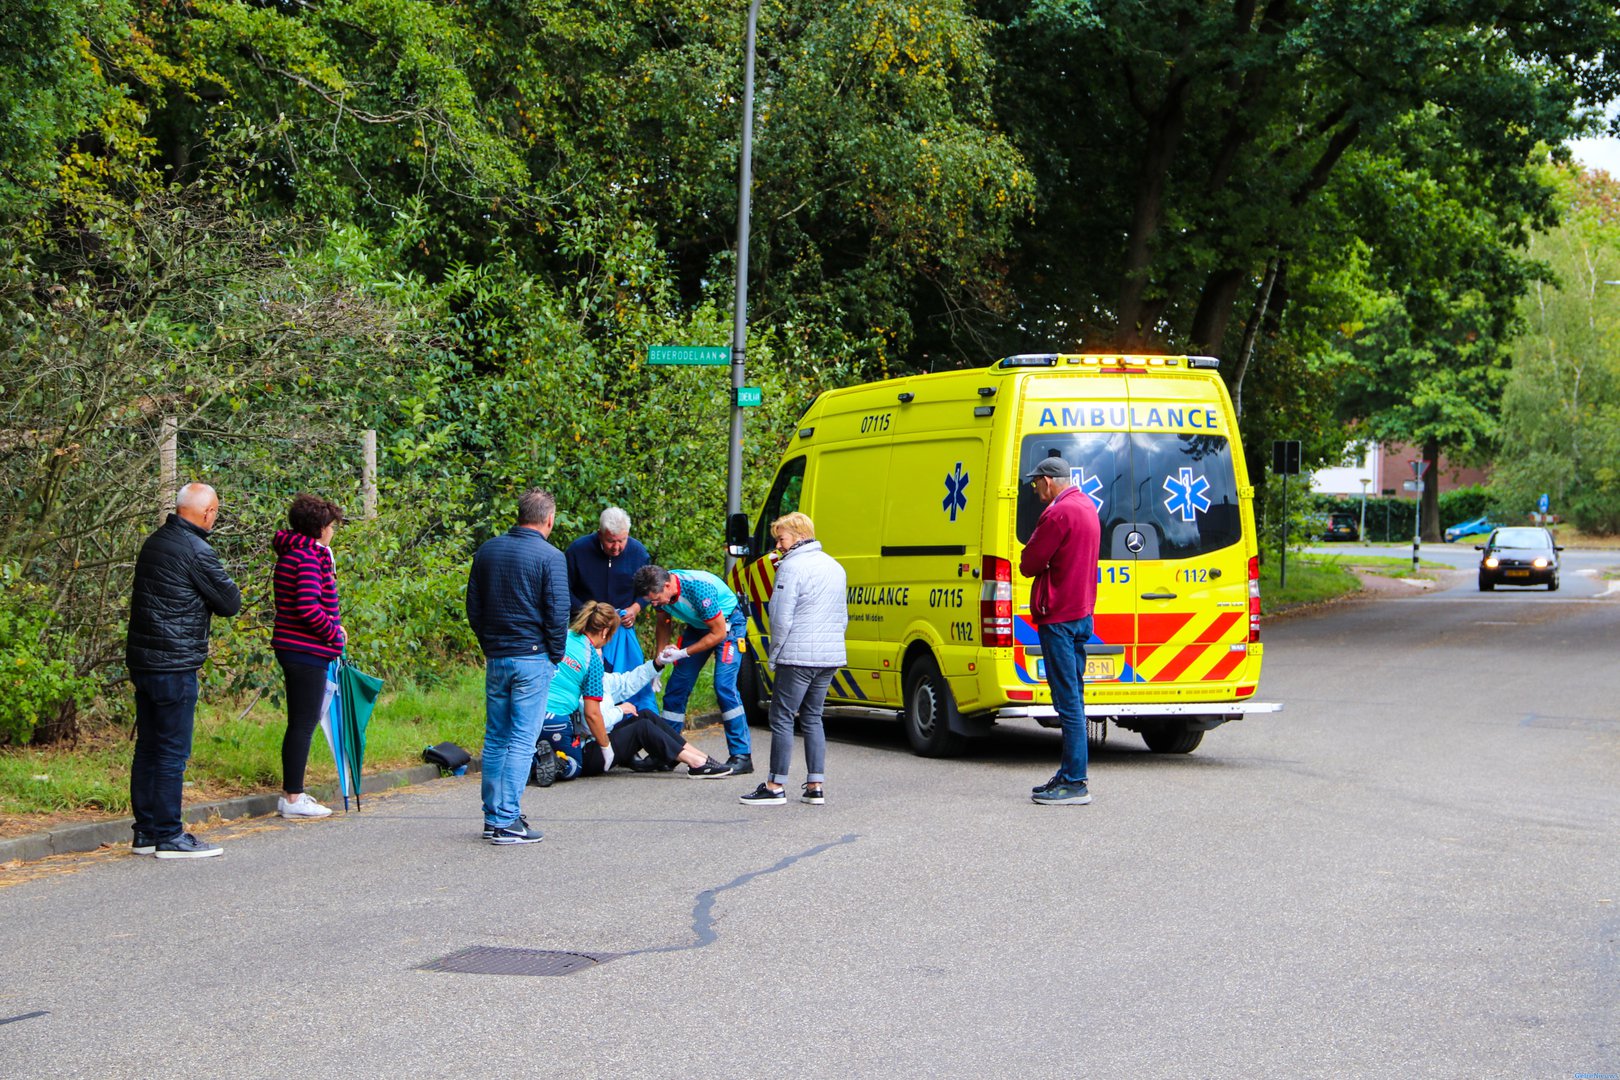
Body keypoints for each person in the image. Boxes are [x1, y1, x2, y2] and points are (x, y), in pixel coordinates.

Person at [126, 483, 242, 858]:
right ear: (208, 513)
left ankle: (145, 832)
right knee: (172, 751)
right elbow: (229, 602)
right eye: (216, 512)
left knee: (148, 746)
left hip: (144, 660)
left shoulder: (155, 542)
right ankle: (170, 835)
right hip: (175, 663)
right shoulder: (197, 551)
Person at [466, 488, 569, 845]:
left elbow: (474, 607)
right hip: (532, 656)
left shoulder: (488, 550)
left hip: (498, 656)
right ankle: (507, 820)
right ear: (549, 519)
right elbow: (558, 613)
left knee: (495, 737)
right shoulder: (551, 557)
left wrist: (490, 644)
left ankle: (493, 815)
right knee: (522, 739)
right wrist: (555, 655)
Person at [537, 602, 729, 782]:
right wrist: (619, 715)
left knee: (645, 715)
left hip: (556, 722)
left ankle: (701, 758)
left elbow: (625, 683)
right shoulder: (590, 661)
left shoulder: (567, 639)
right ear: (604, 632)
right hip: (587, 746)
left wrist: (658, 663)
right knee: (641, 728)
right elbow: (592, 719)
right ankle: (696, 763)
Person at [739, 512, 848, 807]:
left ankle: (775, 786)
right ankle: (815, 785)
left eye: (781, 538)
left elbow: (781, 617)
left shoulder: (791, 568)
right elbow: (843, 617)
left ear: (799, 535)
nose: (778, 545)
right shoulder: (835, 567)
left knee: (782, 715)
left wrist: (775, 654)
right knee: (812, 717)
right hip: (830, 655)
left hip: (798, 655)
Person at [1020, 455, 1102, 806]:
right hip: (1082, 612)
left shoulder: (1057, 513)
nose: (1035, 488)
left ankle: (1074, 781)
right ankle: (1069, 771)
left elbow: (1029, 563)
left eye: (1036, 482)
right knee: (1075, 698)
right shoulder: (1087, 506)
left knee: (1067, 702)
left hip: (1058, 617)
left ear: (1049, 480)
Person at [269, 494, 348, 820]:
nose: (332, 532)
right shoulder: (306, 558)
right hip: (305, 650)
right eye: (331, 526)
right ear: (319, 529)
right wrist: (334, 633)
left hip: (297, 648)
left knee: (301, 722)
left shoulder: (294, 554)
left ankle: (293, 791)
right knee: (303, 723)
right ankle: (293, 797)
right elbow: (306, 606)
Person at [632, 563, 753, 775]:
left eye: (655, 599)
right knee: (677, 686)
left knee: (724, 686)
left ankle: (742, 755)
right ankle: (667, 753)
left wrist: (684, 652)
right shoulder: (660, 592)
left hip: (728, 626)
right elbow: (664, 622)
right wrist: (658, 663)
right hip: (699, 627)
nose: (654, 604)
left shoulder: (699, 589)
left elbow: (718, 634)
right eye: (650, 601)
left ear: (668, 586)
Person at [564, 507, 655, 715]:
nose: (616, 547)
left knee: (626, 679)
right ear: (600, 534)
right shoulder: (578, 551)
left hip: (621, 630)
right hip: (586, 629)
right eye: (611, 541)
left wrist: (636, 607)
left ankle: (631, 718)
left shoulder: (638, 553)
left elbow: (650, 589)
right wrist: (589, 614)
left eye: (621, 541)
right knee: (590, 681)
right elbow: (563, 589)